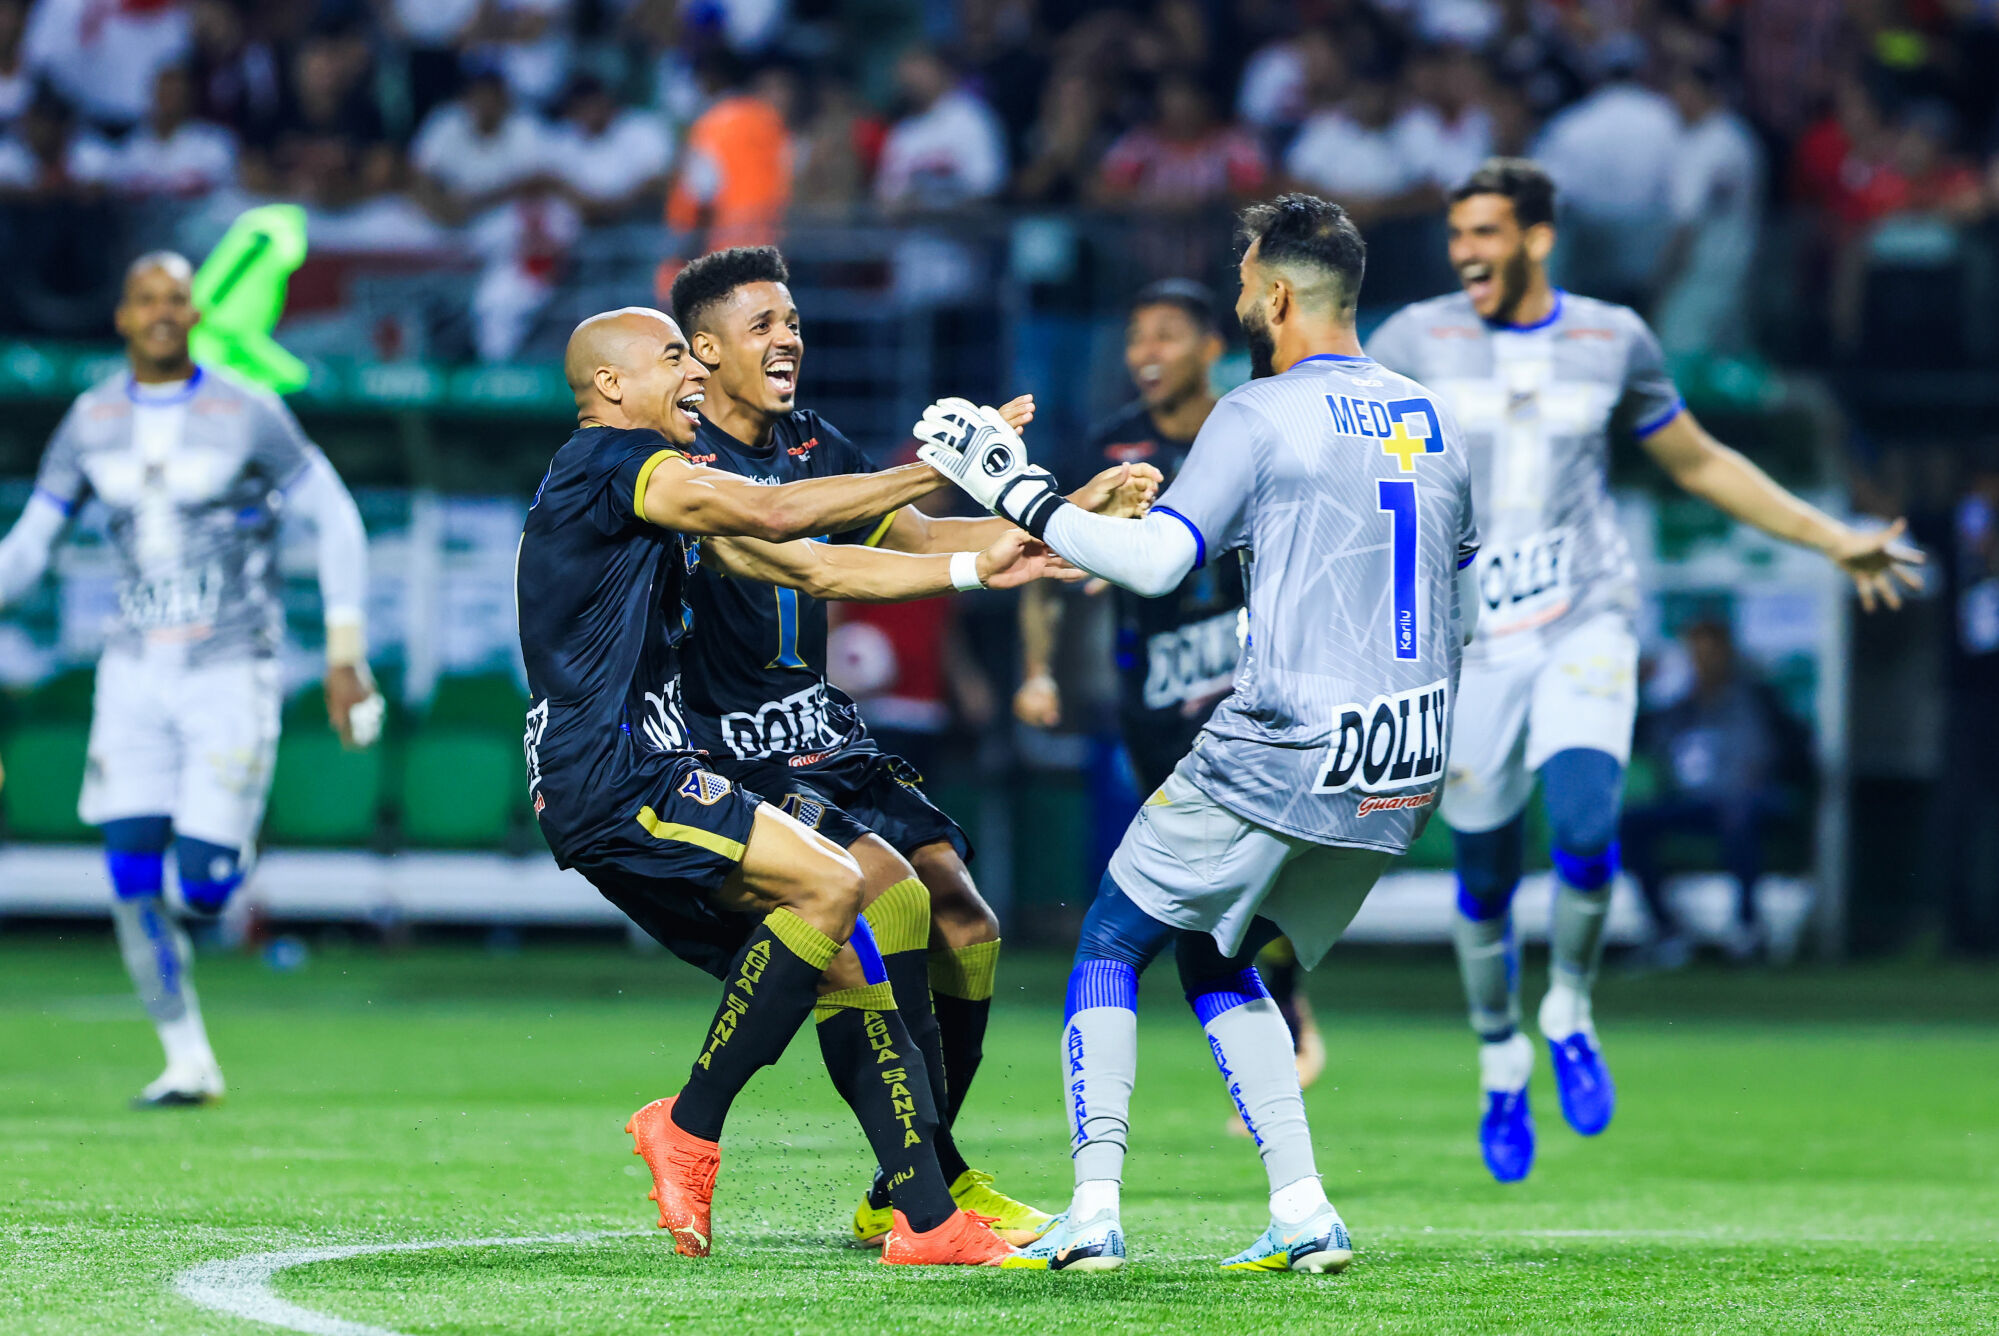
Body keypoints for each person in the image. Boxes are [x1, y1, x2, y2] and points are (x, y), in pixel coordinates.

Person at [919, 194, 1482, 1274]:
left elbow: (1157, 562)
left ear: (1275, 294)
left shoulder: (1257, 412)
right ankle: (1304, 1207)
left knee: (1110, 939)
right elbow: (1462, 594)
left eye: (1240, 283)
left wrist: (1016, 491)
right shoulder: (1433, 415)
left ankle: (1092, 1210)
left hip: (1280, 739)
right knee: (1216, 950)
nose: (1237, 301)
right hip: (1401, 757)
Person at [1366, 158, 1924, 1185]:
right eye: (1456, 236)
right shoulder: (1410, 340)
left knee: (1584, 824)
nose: (1464, 254)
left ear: (1537, 238)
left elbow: (1700, 460)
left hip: (1586, 613)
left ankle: (1569, 1009)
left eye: (1485, 233)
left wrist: (1830, 536)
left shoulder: (1610, 337)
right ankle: (1500, 1058)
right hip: (1471, 640)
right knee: (1483, 873)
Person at [519, 305, 1076, 1266]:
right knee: (835, 884)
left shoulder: (666, 491)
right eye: (672, 358)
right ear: (611, 387)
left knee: (847, 955)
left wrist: (977, 568)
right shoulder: (610, 466)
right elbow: (779, 510)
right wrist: (940, 465)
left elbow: (810, 562)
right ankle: (687, 1127)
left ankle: (926, 1222)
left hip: (640, 767)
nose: (692, 370)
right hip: (609, 769)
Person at [663, 245, 1158, 1247]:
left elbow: (909, 535)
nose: (788, 337)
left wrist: (1054, 524)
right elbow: (820, 560)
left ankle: (928, 1171)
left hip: (823, 733)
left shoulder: (811, 441)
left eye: (793, 320)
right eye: (762, 325)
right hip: (733, 750)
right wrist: (973, 529)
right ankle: (917, 1185)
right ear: (703, 350)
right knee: (887, 899)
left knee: (968, 924)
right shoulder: (680, 467)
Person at [0, 251, 379, 1107]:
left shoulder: (247, 411)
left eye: (178, 299)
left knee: (203, 886)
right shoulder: (90, 417)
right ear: (123, 318)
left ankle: (218, 870)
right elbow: (31, 544)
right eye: (147, 299)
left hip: (229, 668)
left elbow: (335, 516)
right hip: (132, 672)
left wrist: (343, 650)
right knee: (129, 868)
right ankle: (186, 1060)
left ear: (196, 316)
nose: (163, 312)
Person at [1013, 279, 1326, 1118]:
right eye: (1133, 337)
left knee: (1252, 880)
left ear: (1207, 347)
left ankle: (1281, 1014)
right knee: (1200, 902)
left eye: (1165, 335)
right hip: (1154, 696)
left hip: (1253, 696)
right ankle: (1272, 1031)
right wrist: (1038, 670)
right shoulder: (1116, 445)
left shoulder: (1250, 431)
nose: (1144, 353)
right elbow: (1046, 559)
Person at [1621, 618, 1810, 966]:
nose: (1704, 662)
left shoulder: (1753, 698)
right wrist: (1638, 685)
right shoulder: (1679, 708)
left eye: (1711, 652)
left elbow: (1775, 754)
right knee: (1631, 822)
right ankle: (1665, 930)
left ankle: (1747, 929)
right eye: (1696, 653)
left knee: (1737, 813)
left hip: (1751, 802)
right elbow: (1634, 738)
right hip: (1694, 805)